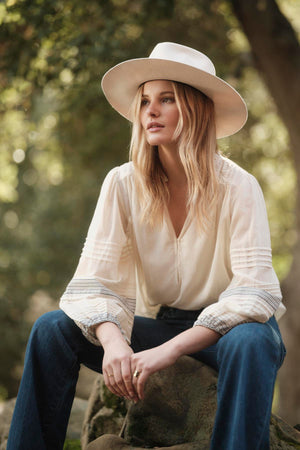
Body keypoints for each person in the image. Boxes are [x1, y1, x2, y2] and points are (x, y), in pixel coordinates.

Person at [7, 42, 286, 450]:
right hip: (162, 323)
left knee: (253, 340)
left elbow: (253, 295)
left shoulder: (240, 186)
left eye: (167, 99)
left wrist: (168, 353)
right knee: (51, 329)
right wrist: (116, 341)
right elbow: (91, 284)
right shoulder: (121, 183)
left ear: (196, 109)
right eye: (145, 101)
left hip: (231, 334)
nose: (150, 111)